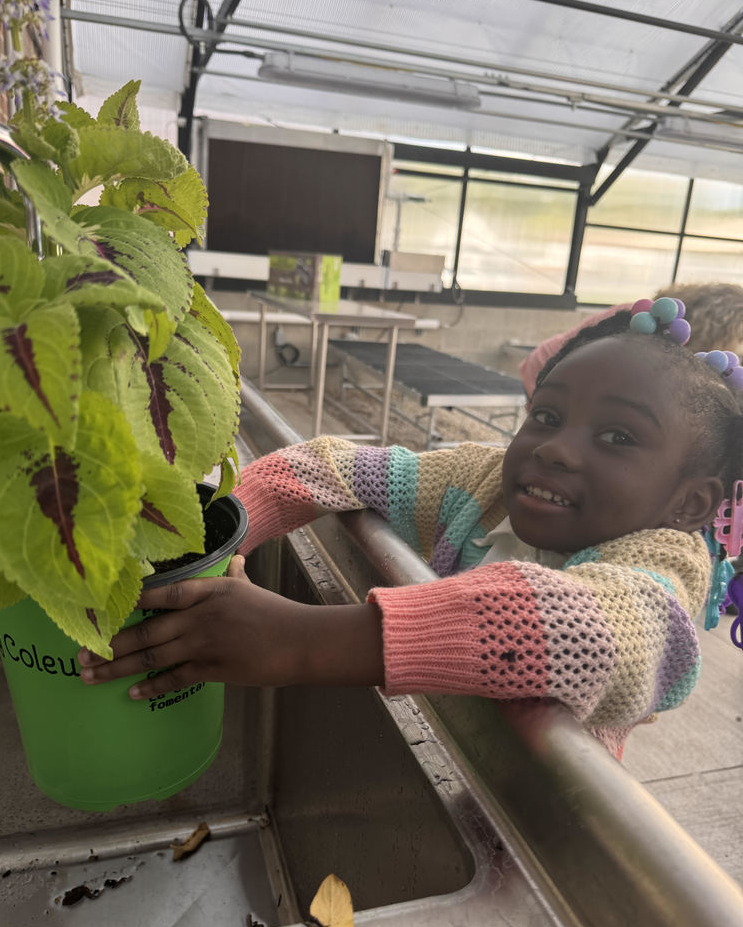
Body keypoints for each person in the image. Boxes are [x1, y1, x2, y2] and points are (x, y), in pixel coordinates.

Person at [78, 298, 743, 760]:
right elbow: (326, 464)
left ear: (690, 503)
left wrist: (300, 642)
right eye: (546, 416)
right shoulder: (479, 485)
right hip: (447, 746)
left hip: (545, 829)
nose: (558, 448)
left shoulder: (665, 563)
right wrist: (226, 537)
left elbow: (595, 632)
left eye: (618, 436)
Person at [519, 282, 743, 396]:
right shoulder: (642, 320)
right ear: (716, 325)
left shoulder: (668, 330)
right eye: (740, 338)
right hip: (549, 370)